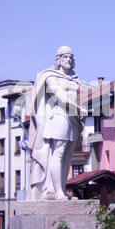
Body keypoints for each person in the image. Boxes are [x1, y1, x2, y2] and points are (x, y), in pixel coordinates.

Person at [27, 46, 85, 200]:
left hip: (73, 118)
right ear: (58, 59)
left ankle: (62, 188)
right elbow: (59, 95)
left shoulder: (74, 78)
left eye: (71, 57)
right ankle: (56, 191)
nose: (69, 60)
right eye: (65, 57)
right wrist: (79, 109)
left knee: (67, 156)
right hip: (59, 115)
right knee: (58, 153)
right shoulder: (51, 77)